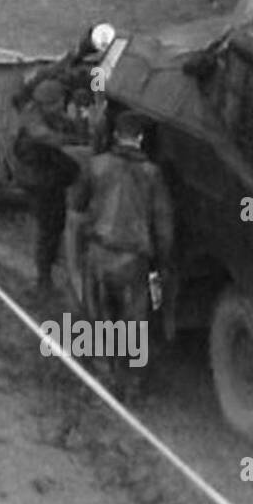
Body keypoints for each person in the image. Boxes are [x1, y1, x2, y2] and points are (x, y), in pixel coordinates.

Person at [68, 111, 174, 395]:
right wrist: (162, 267)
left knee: (99, 317)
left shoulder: (95, 166)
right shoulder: (152, 174)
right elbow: (163, 226)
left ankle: (103, 377)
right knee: (134, 323)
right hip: (133, 261)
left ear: (116, 135)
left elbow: (76, 212)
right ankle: (132, 384)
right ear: (140, 138)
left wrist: (75, 257)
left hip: (98, 254)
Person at [14, 79, 82, 294]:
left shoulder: (49, 116)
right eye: (58, 103)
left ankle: (51, 269)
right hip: (40, 182)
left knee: (55, 227)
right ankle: (43, 280)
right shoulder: (33, 122)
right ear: (47, 104)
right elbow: (45, 137)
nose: (62, 107)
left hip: (50, 179)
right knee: (48, 230)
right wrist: (73, 141)